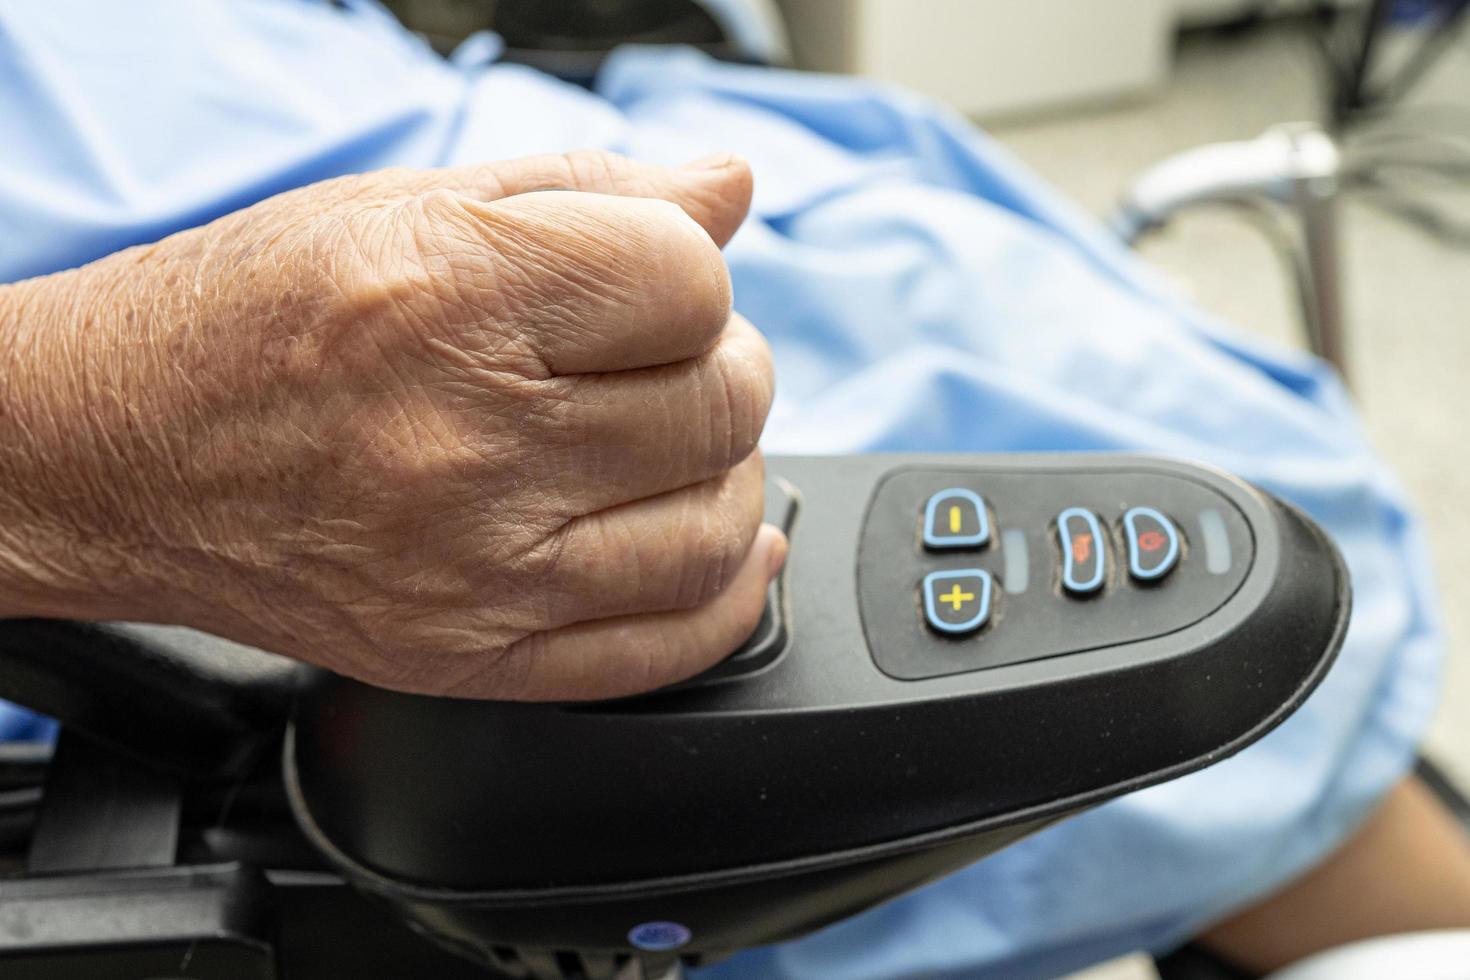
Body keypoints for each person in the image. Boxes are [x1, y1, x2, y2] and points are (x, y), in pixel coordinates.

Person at [0, 2, 1465, 976]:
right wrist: (82, 432)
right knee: (1125, 451)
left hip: (285, 83)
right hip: (183, 294)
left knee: (924, 237)